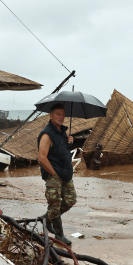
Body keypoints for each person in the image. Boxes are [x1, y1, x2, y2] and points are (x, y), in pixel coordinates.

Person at [37, 103, 77, 246]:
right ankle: (60, 236)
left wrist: (69, 143)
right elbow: (42, 157)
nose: (61, 117)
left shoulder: (62, 132)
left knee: (71, 200)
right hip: (53, 174)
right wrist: (53, 173)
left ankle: (47, 218)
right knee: (54, 204)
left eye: (63, 114)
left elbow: (61, 151)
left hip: (65, 173)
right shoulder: (47, 134)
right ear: (51, 115)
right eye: (58, 114)